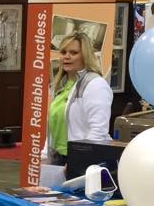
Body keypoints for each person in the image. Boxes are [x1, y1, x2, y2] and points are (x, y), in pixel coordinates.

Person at [45, 31, 113, 166]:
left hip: (83, 160)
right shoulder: (60, 84)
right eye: (63, 52)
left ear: (85, 56)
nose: (67, 57)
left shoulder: (96, 84)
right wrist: (44, 155)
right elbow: (53, 126)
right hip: (58, 158)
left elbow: (98, 132)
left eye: (73, 53)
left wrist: (80, 161)